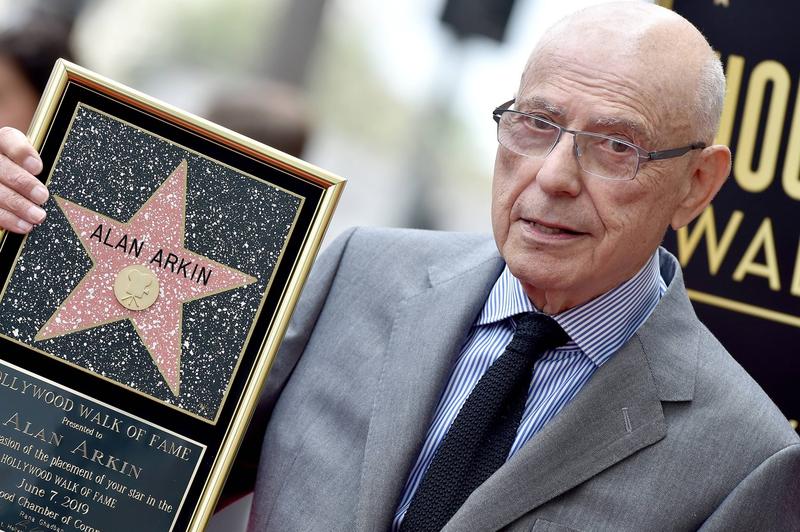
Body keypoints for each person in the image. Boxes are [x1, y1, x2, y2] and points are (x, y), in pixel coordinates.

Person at [1, 3, 798, 531]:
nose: (554, 174)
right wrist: (19, 251)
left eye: (616, 146)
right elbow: (107, 466)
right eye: (535, 123)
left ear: (698, 183)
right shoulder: (356, 272)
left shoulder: (746, 461)